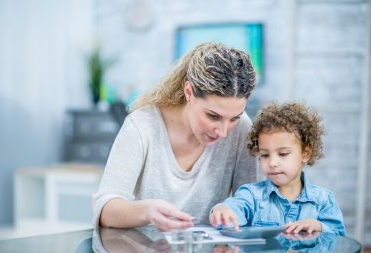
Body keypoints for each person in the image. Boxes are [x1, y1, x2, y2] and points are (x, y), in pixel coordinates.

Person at [91, 42, 259, 231]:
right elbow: (105, 209)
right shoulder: (142, 126)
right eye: (213, 116)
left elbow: (252, 201)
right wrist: (147, 211)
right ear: (189, 93)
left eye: (233, 118)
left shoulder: (242, 127)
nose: (223, 131)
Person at [209, 102, 346, 236]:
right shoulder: (251, 195)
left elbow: (339, 238)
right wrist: (223, 210)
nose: (272, 163)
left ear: (305, 154)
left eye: (283, 154)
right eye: (265, 155)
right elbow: (234, 209)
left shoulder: (323, 200)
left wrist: (318, 226)